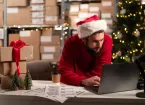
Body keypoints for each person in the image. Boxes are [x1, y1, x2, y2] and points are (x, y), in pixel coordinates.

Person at [58, 15, 113, 86]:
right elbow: (63, 72)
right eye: (95, 41)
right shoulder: (71, 42)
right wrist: (83, 81)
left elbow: (102, 72)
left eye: (101, 40)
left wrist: (76, 78)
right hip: (78, 85)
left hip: (95, 85)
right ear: (83, 40)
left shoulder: (107, 40)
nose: (99, 45)